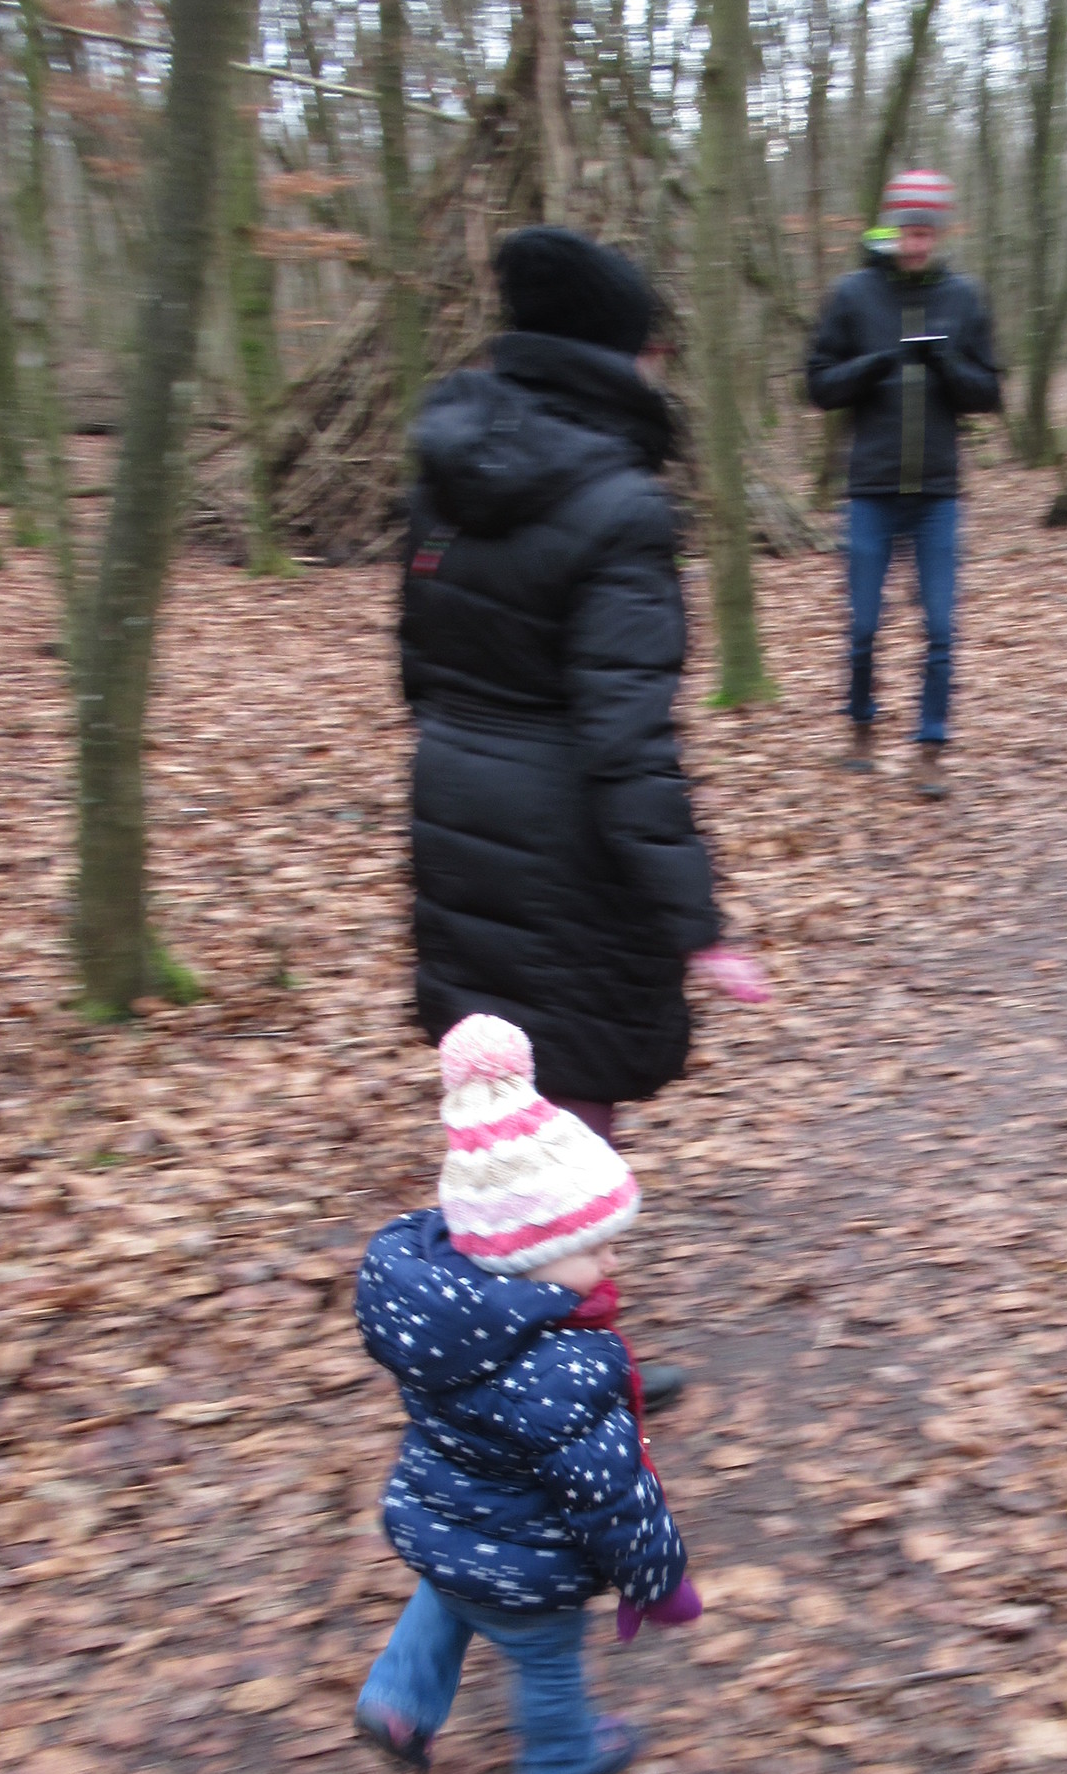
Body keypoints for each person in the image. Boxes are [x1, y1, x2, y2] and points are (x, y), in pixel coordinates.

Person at [401, 225, 769, 1402]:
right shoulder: (621, 506)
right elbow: (626, 741)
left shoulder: (445, 470)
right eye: (653, 346)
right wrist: (695, 922)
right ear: (622, 355)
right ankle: (551, 1377)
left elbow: (416, 665)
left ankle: (492, 1350)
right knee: (567, 1119)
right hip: (564, 836)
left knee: (498, 1100)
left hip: (454, 795)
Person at [353, 1015, 702, 1774]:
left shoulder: (445, 1322)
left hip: (442, 1517)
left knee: (447, 1595)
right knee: (545, 1649)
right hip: (526, 1554)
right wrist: (659, 1580)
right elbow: (611, 1495)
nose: (612, 1261)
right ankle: (561, 1755)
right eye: (595, 1248)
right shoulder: (565, 1366)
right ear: (527, 1260)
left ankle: (398, 1703)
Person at [805, 169, 1003, 800]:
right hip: (871, 491)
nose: (916, 244)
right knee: (864, 625)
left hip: (937, 494)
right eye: (907, 232)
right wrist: (875, 365)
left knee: (941, 629)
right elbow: (818, 385)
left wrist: (945, 362)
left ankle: (930, 751)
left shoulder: (963, 297)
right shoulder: (853, 294)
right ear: (891, 229)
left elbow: (989, 392)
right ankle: (861, 730)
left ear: (939, 233)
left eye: (926, 232)